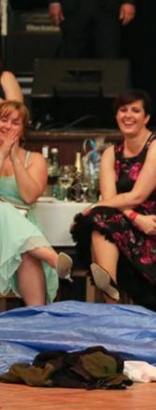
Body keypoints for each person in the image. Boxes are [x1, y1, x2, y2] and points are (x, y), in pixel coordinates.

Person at [71, 90, 156, 313]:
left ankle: (110, 302)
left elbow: (137, 196)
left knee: (98, 219)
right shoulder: (110, 153)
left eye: (135, 110)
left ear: (146, 117)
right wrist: (134, 216)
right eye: (123, 110)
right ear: (116, 116)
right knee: (100, 221)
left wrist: (96, 207)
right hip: (132, 221)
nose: (128, 115)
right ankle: (111, 298)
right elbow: (109, 201)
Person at [0, 100, 73, 306]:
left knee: (25, 251)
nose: (8, 126)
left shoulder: (35, 159)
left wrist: (14, 158)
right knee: (2, 208)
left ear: (23, 130)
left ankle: (38, 315)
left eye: (15, 123)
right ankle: (52, 258)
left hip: (23, 227)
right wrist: (2, 153)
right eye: (3, 120)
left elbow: (29, 196)